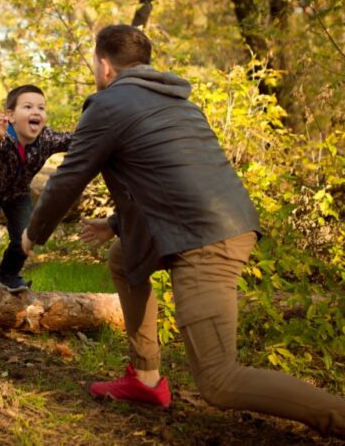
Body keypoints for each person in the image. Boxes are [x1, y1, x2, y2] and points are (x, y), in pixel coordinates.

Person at [22, 25, 345, 437]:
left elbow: (68, 179)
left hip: (206, 240)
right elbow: (171, 182)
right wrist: (118, 224)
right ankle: (145, 379)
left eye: (94, 62)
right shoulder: (179, 103)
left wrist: (32, 234)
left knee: (219, 380)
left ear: (104, 66)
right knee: (123, 257)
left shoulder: (108, 104)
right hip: (221, 223)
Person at [0, 84, 72, 293]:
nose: (36, 112)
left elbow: (73, 140)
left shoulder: (46, 138)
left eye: (41, 108)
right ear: (11, 115)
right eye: (27, 107)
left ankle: (9, 275)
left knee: (26, 237)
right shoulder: (2, 133)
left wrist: (97, 129)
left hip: (17, 193)